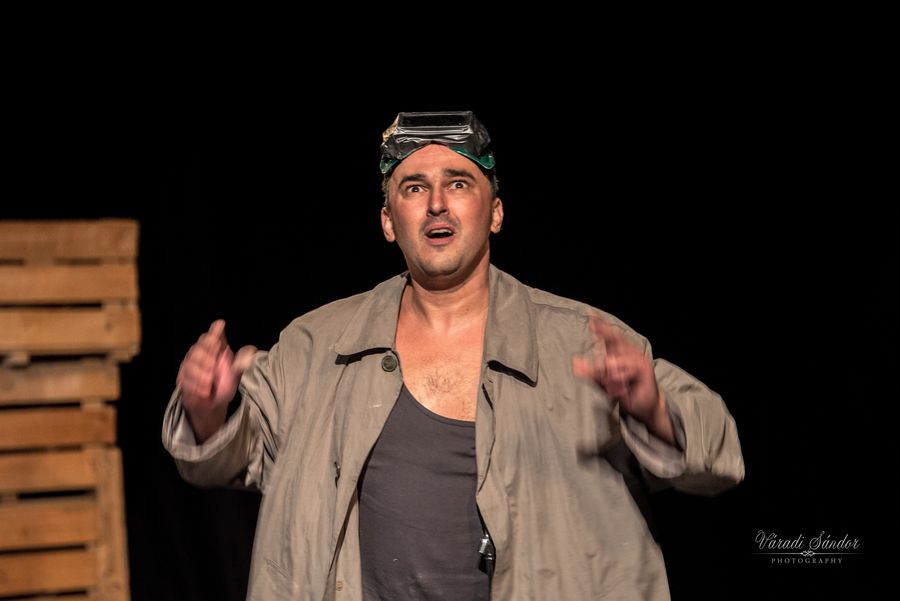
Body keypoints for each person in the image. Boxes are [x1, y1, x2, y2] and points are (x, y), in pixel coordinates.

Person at [162, 111, 744, 600]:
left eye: (459, 183)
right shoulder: (316, 346)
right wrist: (208, 410)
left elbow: (718, 453)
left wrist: (652, 409)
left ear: (495, 211)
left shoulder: (583, 340)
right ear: (388, 221)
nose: (437, 203)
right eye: (414, 188)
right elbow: (222, 459)